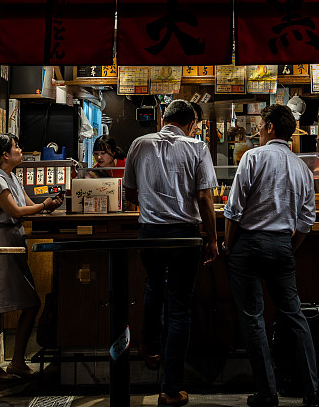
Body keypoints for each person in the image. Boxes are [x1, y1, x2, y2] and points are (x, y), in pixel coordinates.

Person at [223, 104, 319, 407]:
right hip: (281, 243)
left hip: (248, 245)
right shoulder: (302, 166)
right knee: (294, 317)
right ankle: (313, 393)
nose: (259, 130)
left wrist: (228, 245)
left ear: (270, 128)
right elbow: (306, 221)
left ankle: (267, 393)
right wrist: (289, 247)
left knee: (254, 319)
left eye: (262, 125)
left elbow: (234, 210)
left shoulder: (252, 157)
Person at [122, 99, 218, 407]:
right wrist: (213, 238)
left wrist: (153, 203)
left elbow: (130, 192)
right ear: (191, 123)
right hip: (183, 236)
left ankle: (148, 346)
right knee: (179, 308)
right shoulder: (197, 147)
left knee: (152, 283)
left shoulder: (139, 144)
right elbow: (204, 197)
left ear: (164, 118)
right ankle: (171, 388)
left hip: (149, 233)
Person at [0, 133, 63, 382]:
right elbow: (15, 211)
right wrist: (44, 206)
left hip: (13, 239)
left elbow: (26, 206)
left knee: (30, 303)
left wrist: (49, 205)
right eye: (16, 146)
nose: (20, 149)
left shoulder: (11, 177)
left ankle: (16, 362)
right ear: (5, 154)